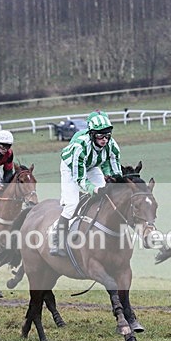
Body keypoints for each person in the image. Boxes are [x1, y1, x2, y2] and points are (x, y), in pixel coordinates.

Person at [50, 110, 121, 257]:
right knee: (71, 204)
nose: (104, 139)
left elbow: (112, 168)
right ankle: (56, 238)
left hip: (92, 165)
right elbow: (80, 179)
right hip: (71, 168)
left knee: (108, 194)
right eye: (100, 135)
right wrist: (93, 189)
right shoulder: (80, 146)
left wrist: (114, 181)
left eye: (107, 135)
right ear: (92, 134)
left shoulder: (112, 146)